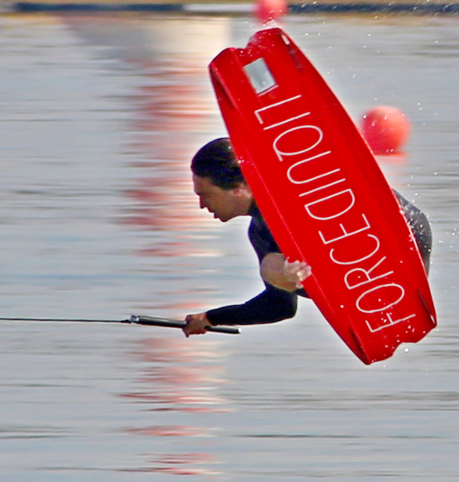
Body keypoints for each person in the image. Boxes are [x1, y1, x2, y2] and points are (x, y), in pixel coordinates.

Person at [182, 137, 432, 336]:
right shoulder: (260, 232)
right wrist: (212, 318)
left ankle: (300, 269)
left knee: (271, 266)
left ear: (239, 187)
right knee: (273, 265)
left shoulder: (293, 187)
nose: (202, 204)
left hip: (402, 231)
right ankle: (300, 269)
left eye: (205, 194)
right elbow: (280, 307)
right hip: (360, 264)